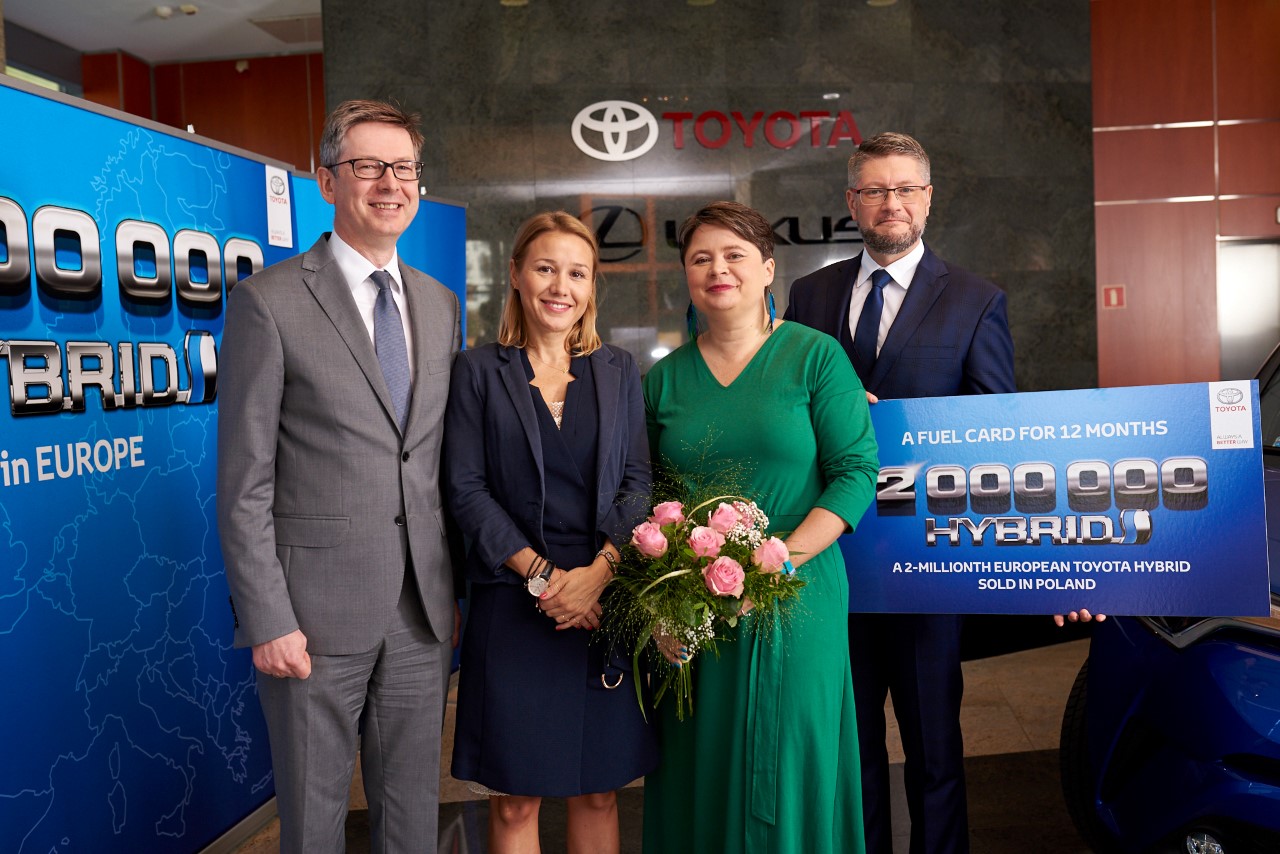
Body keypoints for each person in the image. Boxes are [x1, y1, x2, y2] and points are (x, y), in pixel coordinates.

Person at [216, 99, 461, 854]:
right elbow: (244, 482)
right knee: (313, 822)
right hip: (311, 618)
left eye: (405, 168)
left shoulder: (439, 303)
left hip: (421, 609)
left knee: (413, 816)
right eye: (368, 166)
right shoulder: (268, 301)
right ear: (327, 181)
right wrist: (267, 618)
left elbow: (431, 459)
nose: (391, 183)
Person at [784, 131, 1015, 854]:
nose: (893, 202)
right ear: (852, 201)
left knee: (934, 747)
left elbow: (995, 430)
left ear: (929, 198)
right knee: (849, 746)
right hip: (832, 559)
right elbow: (785, 409)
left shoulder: (977, 299)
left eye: (906, 188)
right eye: (876, 190)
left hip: (926, 561)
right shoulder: (809, 295)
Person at [641, 201, 880, 854]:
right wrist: (662, 606)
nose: (717, 269)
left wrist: (776, 562)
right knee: (700, 758)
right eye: (701, 258)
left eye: (734, 255)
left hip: (798, 596)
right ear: (686, 276)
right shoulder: (662, 381)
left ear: (769, 269)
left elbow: (855, 474)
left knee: (792, 758)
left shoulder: (816, 357)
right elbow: (645, 499)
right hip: (692, 606)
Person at [443, 211, 656, 853]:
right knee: (515, 800)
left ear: (591, 287)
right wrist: (544, 579)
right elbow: (466, 489)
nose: (561, 286)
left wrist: (598, 576)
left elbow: (638, 483)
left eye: (577, 273)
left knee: (599, 791)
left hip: (604, 595)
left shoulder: (618, 369)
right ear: (515, 275)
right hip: (513, 599)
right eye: (545, 268)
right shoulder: (478, 370)